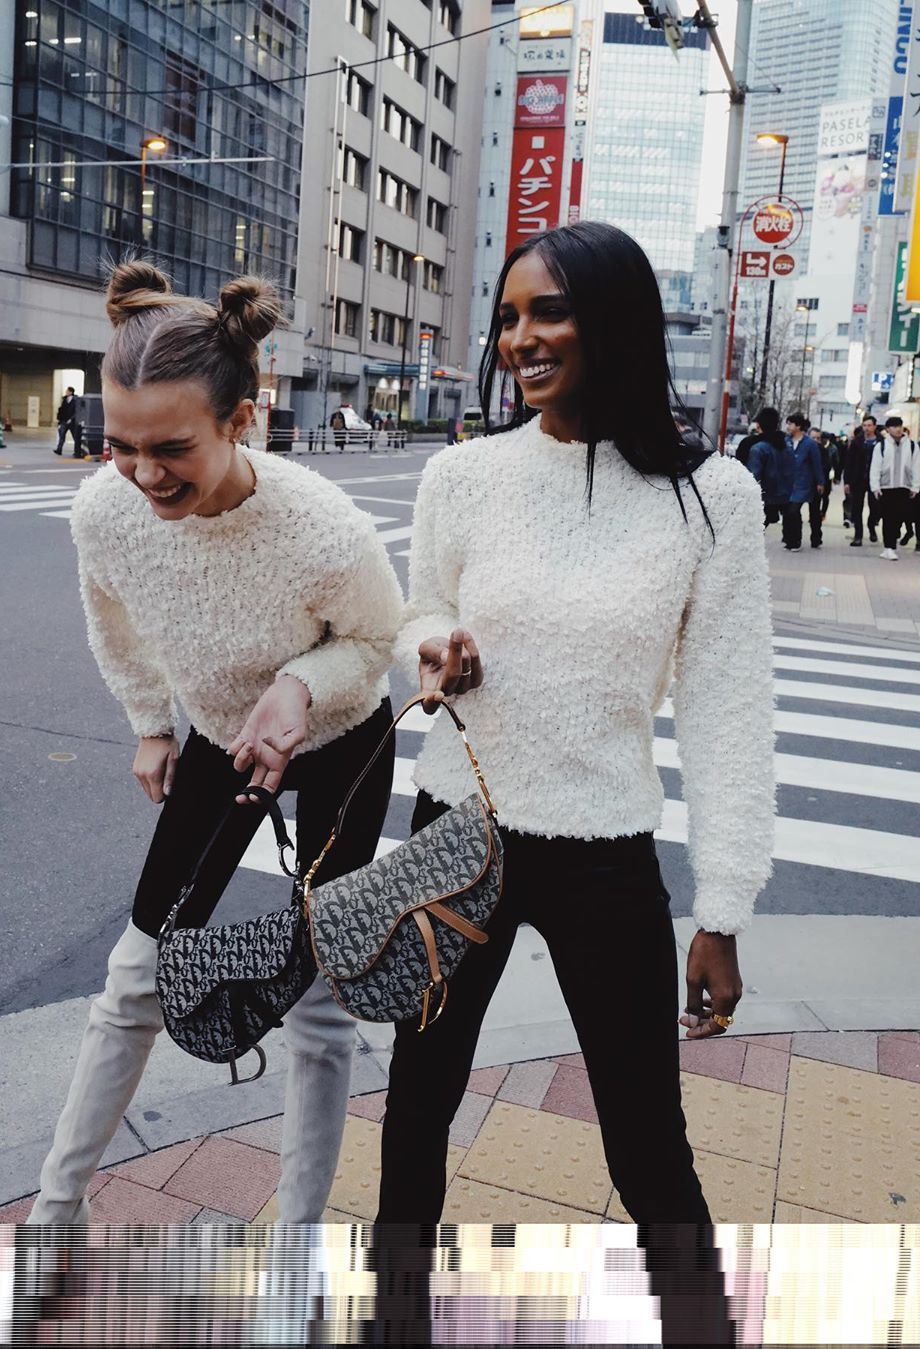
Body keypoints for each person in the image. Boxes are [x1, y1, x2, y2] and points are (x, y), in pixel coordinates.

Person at [376, 222, 775, 1229]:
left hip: (604, 849)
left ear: (615, 320)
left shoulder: (711, 498)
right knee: (416, 1110)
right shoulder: (463, 476)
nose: (520, 339)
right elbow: (420, 610)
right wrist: (436, 647)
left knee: (648, 1145)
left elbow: (729, 712)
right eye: (508, 317)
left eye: (548, 312)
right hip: (457, 834)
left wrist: (723, 910)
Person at [27, 261, 404, 1224]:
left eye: (172, 448)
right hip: (220, 739)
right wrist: (152, 722)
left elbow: (375, 639)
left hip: (344, 743)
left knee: (318, 999)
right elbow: (112, 620)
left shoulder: (323, 529)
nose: (145, 474)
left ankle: (296, 1240)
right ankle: (54, 1214)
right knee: (135, 975)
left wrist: (301, 685)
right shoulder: (105, 512)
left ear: (242, 419)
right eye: (120, 445)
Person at [869, 414, 919, 560]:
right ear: (888, 429)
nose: (898, 429)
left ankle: (891, 545)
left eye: (899, 426)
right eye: (894, 427)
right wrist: (875, 486)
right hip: (886, 487)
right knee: (888, 518)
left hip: (904, 487)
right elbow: (875, 467)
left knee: (900, 517)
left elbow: (917, 467)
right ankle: (889, 547)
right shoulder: (882, 446)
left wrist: (915, 486)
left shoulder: (912, 446)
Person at [783, 412, 825, 550]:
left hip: (803, 482)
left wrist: (820, 482)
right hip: (788, 482)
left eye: (791, 424)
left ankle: (796, 541)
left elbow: (817, 464)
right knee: (788, 512)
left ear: (798, 426)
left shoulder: (810, 444)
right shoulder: (786, 441)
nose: (788, 426)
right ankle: (789, 539)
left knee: (794, 510)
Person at [746, 406, 793, 528]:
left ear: (759, 425)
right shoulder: (787, 447)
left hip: (764, 498)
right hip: (783, 497)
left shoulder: (758, 449)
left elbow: (754, 478)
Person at [843, 417, 881, 545]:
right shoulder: (857, 442)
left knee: (875, 506)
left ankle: (871, 525)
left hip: (875, 479)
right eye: (865, 425)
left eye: (869, 425)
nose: (867, 428)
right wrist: (847, 481)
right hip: (858, 479)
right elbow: (849, 462)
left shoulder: (881, 442)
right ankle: (858, 535)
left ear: (874, 426)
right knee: (856, 507)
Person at [55, 386, 82, 457]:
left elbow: (76, 411)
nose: (66, 392)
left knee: (75, 437)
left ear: (71, 392)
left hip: (72, 422)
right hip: (64, 421)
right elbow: (62, 410)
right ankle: (59, 449)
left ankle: (77, 451)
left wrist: (71, 419)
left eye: (67, 391)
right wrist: (60, 420)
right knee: (62, 436)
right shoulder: (64, 399)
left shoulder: (75, 400)